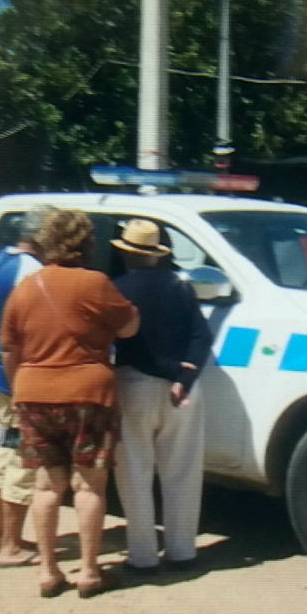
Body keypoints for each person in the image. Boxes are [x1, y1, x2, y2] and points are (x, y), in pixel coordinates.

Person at [0, 209, 139, 599]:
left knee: (47, 485)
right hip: (88, 394)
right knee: (89, 486)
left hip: (34, 393)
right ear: (86, 245)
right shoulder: (96, 284)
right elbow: (129, 327)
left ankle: (48, 571)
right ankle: (90, 573)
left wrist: (19, 390)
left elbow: (8, 347)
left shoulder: (26, 287)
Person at [111, 219, 213, 573]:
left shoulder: (117, 288)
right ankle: (183, 550)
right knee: (183, 471)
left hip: (133, 386)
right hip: (182, 390)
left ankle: (142, 557)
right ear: (157, 255)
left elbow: (127, 344)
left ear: (125, 253)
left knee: (134, 472)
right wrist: (183, 375)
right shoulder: (181, 288)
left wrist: (163, 370)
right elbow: (202, 337)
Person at [0, 207, 48, 568]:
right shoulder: (32, 271)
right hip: (13, 379)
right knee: (20, 457)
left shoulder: (2, 259)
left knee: (1, 454)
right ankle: (12, 546)